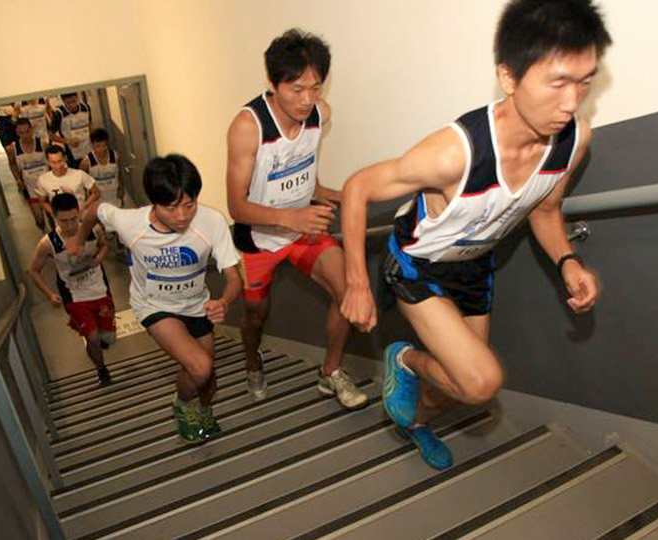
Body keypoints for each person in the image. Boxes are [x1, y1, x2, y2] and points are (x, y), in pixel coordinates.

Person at [339, 0, 611, 469]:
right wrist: (357, 282)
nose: (572, 102)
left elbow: (545, 209)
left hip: (474, 266)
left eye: (585, 82)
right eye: (558, 83)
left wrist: (568, 261)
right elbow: (358, 187)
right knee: (483, 381)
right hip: (415, 264)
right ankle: (404, 358)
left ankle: (415, 423)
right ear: (509, 77)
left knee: (461, 388)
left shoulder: (573, 141)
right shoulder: (453, 154)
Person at [226, 29, 367, 409]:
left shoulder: (321, 114)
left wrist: (344, 194)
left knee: (347, 290)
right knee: (256, 316)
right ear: (273, 83)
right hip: (258, 239)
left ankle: (330, 373)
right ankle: (252, 361)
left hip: (301, 229)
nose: (308, 100)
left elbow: (306, 177)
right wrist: (293, 218)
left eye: (315, 88)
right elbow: (236, 206)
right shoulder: (248, 126)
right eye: (296, 89)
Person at [72, 154, 242, 443]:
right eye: (170, 207)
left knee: (208, 380)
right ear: (154, 201)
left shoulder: (211, 221)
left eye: (189, 204)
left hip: (196, 305)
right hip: (154, 306)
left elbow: (235, 278)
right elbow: (95, 210)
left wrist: (223, 302)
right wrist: (79, 238)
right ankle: (182, 405)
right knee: (200, 367)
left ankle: (202, 410)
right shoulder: (130, 223)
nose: (182, 216)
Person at [27, 193, 116, 385]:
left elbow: (104, 246)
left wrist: (99, 258)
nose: (70, 225)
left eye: (74, 219)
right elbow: (33, 270)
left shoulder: (93, 230)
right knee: (92, 338)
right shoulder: (48, 243)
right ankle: (101, 370)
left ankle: (102, 341)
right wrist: (50, 294)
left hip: (100, 288)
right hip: (73, 295)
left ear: (79, 213)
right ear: (55, 218)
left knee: (107, 337)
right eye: (64, 221)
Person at [33, 144, 100, 221]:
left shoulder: (79, 174)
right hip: (60, 222)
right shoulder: (43, 180)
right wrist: (54, 213)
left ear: (64, 158)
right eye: (53, 162)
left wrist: (84, 206)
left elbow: (96, 192)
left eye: (60, 161)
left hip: (81, 218)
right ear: (48, 162)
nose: (58, 166)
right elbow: (42, 201)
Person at [6, 118, 49, 231]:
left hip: (47, 187)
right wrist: (18, 179)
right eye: (21, 133)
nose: (25, 135)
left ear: (32, 130)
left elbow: (52, 159)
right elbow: (12, 164)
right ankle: (44, 234)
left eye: (27, 131)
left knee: (52, 216)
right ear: (17, 133)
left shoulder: (43, 144)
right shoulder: (13, 149)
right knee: (39, 220)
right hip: (30, 189)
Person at [80, 128, 123, 207]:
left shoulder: (115, 156)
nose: (101, 149)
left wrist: (120, 187)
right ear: (92, 145)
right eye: (98, 146)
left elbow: (118, 173)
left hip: (114, 196)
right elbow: (82, 181)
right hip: (97, 198)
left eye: (104, 145)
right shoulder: (86, 161)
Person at [51, 92, 92, 168]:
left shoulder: (85, 108)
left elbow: (90, 124)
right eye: (68, 103)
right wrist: (67, 141)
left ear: (77, 98)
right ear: (63, 101)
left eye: (74, 101)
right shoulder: (59, 114)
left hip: (89, 150)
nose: (72, 105)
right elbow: (50, 135)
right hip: (73, 154)